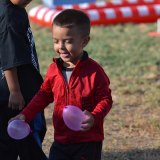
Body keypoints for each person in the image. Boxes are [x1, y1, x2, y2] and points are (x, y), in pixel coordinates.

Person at [10, 9, 113, 160]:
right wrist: (25, 115)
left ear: (84, 41)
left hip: (87, 141)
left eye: (68, 41)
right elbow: (43, 95)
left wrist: (94, 116)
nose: (61, 47)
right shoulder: (54, 70)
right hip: (61, 140)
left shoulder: (94, 72)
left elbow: (106, 99)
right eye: (56, 41)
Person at [0, 0, 47, 159]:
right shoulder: (10, 15)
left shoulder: (13, 8)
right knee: (28, 139)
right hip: (18, 95)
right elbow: (8, 56)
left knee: (9, 142)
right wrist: (15, 90)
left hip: (12, 93)